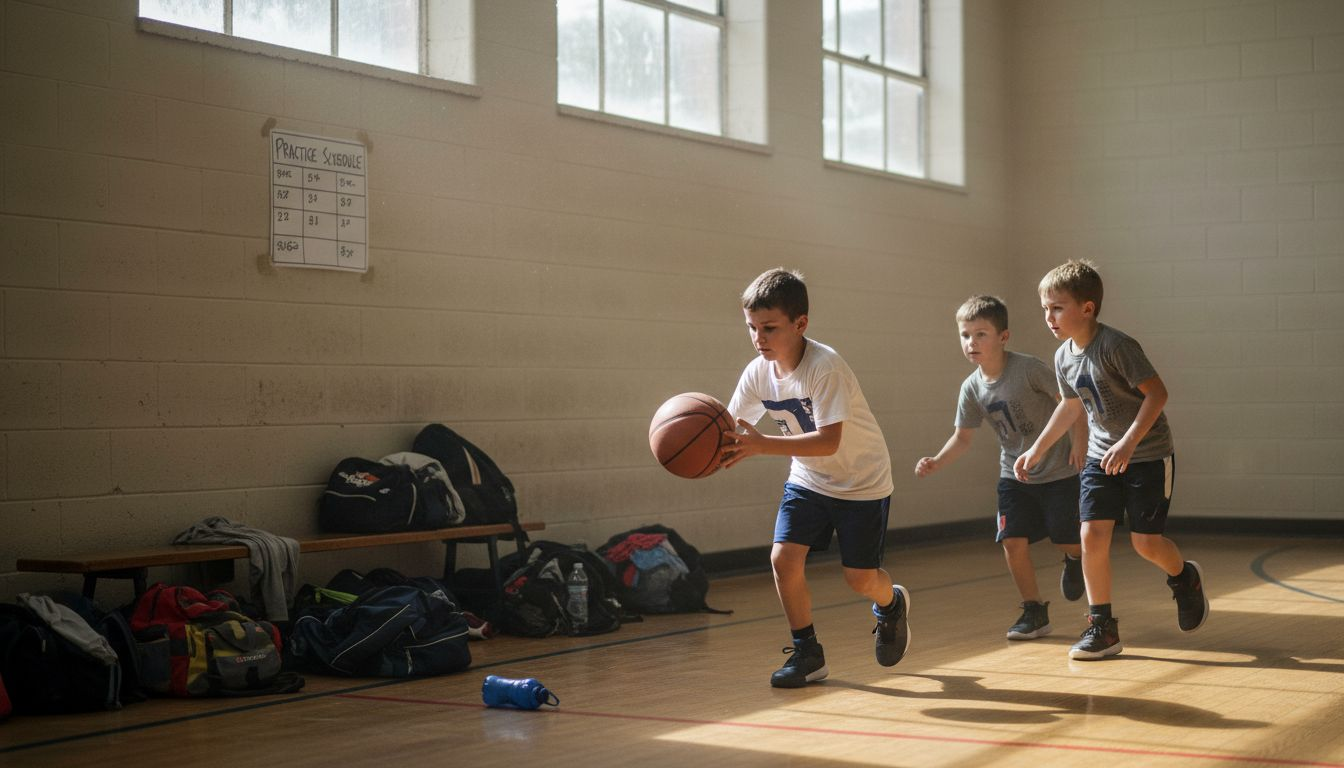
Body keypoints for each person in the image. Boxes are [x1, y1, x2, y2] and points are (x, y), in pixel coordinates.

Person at [720, 268, 907, 688]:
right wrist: (704, 446)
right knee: (783, 559)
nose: (758, 338)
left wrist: (761, 445)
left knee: (860, 578)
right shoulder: (756, 373)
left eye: (769, 328)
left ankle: (891, 603)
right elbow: (734, 427)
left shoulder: (826, 367)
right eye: (751, 327)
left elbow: (829, 442)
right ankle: (808, 653)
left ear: (800, 323)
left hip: (862, 481)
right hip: (808, 480)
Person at [1014, 259, 1208, 661]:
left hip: (1148, 454)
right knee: (1091, 536)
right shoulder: (1062, 356)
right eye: (1045, 308)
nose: (1049, 317)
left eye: (1058, 307)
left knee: (1145, 543)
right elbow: (1070, 406)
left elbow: (1157, 394)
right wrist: (1038, 447)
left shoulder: (1117, 346)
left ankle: (1184, 578)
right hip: (1102, 458)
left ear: (1087, 308)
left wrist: (1130, 443)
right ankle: (1101, 626)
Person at [914, 295, 1087, 642]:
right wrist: (937, 460)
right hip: (1014, 475)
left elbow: (1072, 403)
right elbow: (962, 438)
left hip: (1058, 471)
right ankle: (1033, 610)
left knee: (1065, 537)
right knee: (1011, 540)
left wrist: (1080, 443)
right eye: (965, 335)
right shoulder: (971, 388)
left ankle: (1074, 559)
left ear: (1003, 337)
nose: (971, 343)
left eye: (981, 334)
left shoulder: (1029, 369)